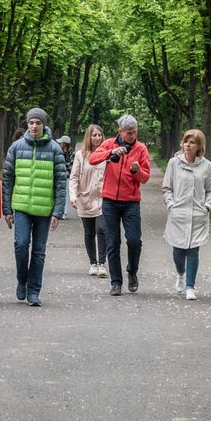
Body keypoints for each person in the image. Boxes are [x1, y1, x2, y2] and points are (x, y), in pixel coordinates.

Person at [2, 107, 67, 307]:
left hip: (44, 209)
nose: (34, 126)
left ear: (43, 125)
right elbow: (8, 179)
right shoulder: (16, 147)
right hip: (21, 206)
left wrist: (57, 210)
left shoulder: (54, 149)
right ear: (27, 124)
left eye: (38, 123)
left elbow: (60, 182)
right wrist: (7, 209)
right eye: (31, 123)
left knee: (39, 251)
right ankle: (22, 279)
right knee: (21, 245)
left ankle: (33, 291)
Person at [89, 114, 151, 296]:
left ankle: (132, 271)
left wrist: (137, 171)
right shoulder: (110, 143)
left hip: (131, 201)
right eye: (129, 133)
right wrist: (111, 153)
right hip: (110, 201)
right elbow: (93, 159)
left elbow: (145, 177)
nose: (132, 136)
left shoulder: (140, 149)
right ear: (120, 132)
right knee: (112, 242)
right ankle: (116, 282)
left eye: (134, 132)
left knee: (134, 240)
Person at [162, 129, 211, 301]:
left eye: (192, 142)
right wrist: (171, 204)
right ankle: (180, 273)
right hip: (178, 213)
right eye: (186, 141)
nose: (188, 145)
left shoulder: (206, 165)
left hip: (198, 214)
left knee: (193, 250)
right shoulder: (173, 163)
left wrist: (207, 206)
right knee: (178, 250)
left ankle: (190, 286)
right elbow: (167, 188)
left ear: (199, 146)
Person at [68, 124, 107, 278]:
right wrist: (73, 196)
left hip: (103, 199)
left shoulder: (107, 154)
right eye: (94, 135)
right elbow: (74, 177)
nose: (97, 138)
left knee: (101, 229)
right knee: (89, 232)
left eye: (99, 135)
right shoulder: (81, 155)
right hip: (85, 199)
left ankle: (102, 263)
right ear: (88, 137)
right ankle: (93, 263)